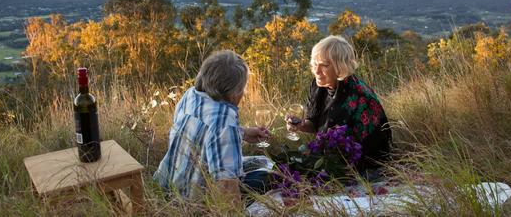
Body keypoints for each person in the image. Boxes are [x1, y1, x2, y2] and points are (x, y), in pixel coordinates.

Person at [154, 50, 271, 205]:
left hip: (168, 186)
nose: (243, 93)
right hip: (196, 202)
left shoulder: (190, 95)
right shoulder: (224, 120)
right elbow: (226, 186)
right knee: (268, 177)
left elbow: (204, 132)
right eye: (243, 88)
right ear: (233, 92)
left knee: (260, 162)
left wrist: (242, 132)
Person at [285, 35, 392, 174]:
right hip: (332, 156)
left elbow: (359, 150)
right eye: (315, 63)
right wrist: (300, 125)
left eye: (324, 65)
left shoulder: (358, 96)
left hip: (363, 165)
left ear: (340, 66)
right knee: (288, 162)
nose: (316, 71)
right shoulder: (319, 85)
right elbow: (315, 124)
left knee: (294, 168)